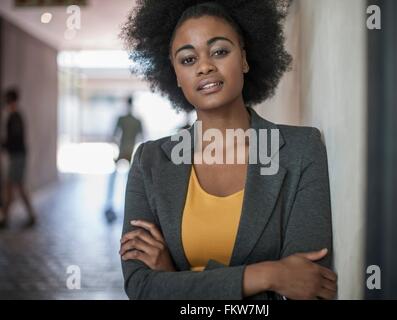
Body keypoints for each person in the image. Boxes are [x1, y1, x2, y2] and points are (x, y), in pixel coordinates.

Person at [119, 1, 337, 300]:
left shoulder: (301, 150)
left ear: (244, 59)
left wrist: (174, 280)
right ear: (176, 76)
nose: (205, 66)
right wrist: (266, 275)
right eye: (187, 59)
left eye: (220, 51)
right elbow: (141, 288)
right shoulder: (149, 162)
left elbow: (307, 288)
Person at [0, 89, 37, 228]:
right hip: (17, 155)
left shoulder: (15, 117)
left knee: (15, 186)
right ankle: (7, 216)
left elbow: (14, 139)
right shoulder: (14, 116)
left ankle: (7, 217)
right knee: (13, 187)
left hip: (17, 156)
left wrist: (4, 145)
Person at [104, 95, 143, 222]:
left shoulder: (122, 119)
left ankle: (110, 202)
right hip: (130, 151)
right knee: (129, 181)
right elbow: (142, 137)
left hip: (122, 151)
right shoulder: (136, 120)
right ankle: (128, 205)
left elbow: (114, 136)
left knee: (114, 179)